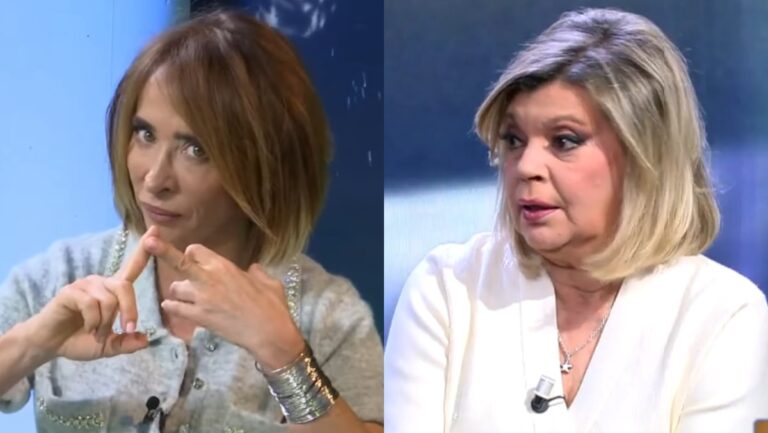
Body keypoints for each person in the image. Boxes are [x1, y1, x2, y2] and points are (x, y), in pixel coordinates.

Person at [384, 7, 768, 433]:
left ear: (645, 155)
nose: (526, 166)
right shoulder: (448, 289)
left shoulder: (723, 315)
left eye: (564, 140)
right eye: (514, 140)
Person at [0, 10, 383, 433]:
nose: (155, 179)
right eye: (145, 134)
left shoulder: (329, 315)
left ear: (266, 166)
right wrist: (34, 343)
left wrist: (284, 357)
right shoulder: (57, 277)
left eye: (196, 149)